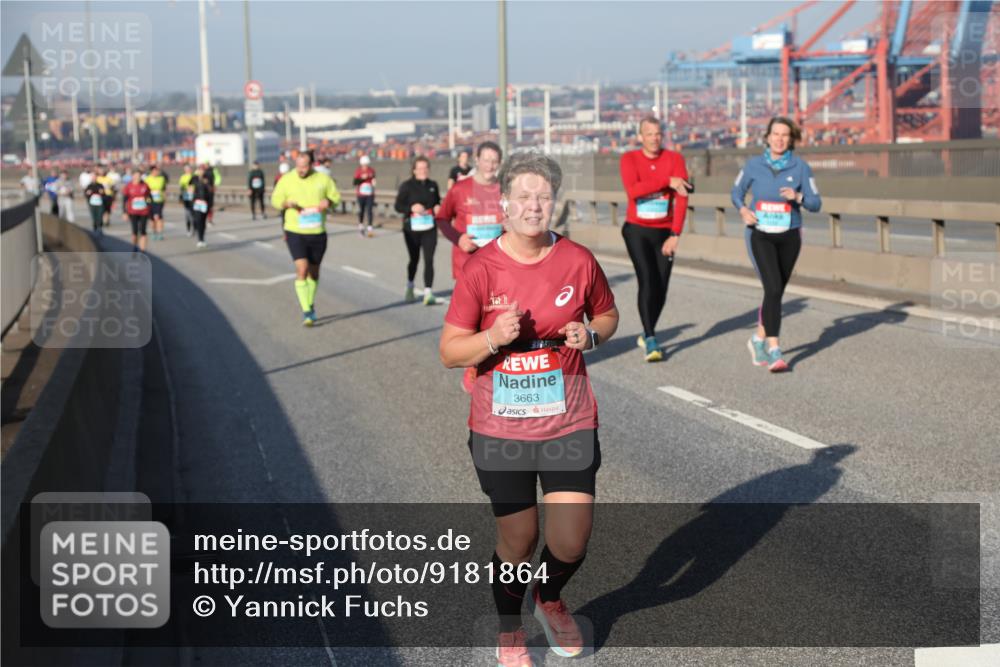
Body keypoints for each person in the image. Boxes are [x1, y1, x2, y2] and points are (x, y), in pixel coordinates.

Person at [439, 153, 619, 667]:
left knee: (570, 540)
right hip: (501, 427)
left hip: (569, 419)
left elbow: (607, 313)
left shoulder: (578, 260)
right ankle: (510, 626)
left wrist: (592, 335)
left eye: (542, 196)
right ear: (505, 203)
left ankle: (550, 596)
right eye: (523, 196)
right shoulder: (482, 268)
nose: (533, 206)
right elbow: (450, 351)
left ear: (553, 203)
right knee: (519, 538)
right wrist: (491, 338)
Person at [732, 116, 821, 372]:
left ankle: (757, 338)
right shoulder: (753, 165)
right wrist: (742, 210)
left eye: (785, 135)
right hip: (759, 234)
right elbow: (736, 193)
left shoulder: (800, 168)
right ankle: (774, 348)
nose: (779, 139)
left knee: (776, 292)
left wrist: (799, 196)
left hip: (790, 235)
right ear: (767, 137)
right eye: (775, 134)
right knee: (772, 288)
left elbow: (816, 204)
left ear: (791, 139)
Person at [619, 116, 691, 362]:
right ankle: (650, 337)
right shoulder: (629, 159)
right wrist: (666, 182)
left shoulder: (675, 159)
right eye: (649, 134)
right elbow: (633, 190)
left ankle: (647, 331)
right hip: (636, 230)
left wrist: (675, 234)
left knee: (661, 287)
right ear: (641, 136)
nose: (654, 138)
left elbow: (682, 197)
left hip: (664, 232)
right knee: (647, 280)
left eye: (658, 133)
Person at [437, 141, 504, 392]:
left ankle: (490, 364)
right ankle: (472, 366)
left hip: (498, 262)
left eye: (495, 161)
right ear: (477, 160)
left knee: (495, 314)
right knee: (472, 319)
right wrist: (459, 239)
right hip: (467, 263)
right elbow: (442, 219)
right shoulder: (461, 189)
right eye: (486, 160)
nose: (490, 165)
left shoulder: (504, 190)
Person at [271, 150, 341, 326]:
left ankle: (309, 301)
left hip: (317, 231)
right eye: (299, 166)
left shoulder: (323, 179)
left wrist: (329, 203)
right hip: (295, 230)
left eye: (305, 166)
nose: (301, 170)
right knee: (302, 269)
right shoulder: (286, 179)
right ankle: (307, 311)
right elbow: (275, 199)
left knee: (314, 271)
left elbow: (336, 197)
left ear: (311, 165)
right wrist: (286, 203)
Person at [393, 156, 441, 305]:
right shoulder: (407, 186)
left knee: (429, 259)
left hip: (429, 227)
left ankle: (428, 292)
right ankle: (410, 286)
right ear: (414, 170)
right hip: (412, 229)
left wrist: (438, 207)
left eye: (425, 168)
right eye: (419, 168)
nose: (423, 171)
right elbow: (398, 206)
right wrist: (411, 208)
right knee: (414, 259)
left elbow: (437, 201)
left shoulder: (433, 185)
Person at [121, 168, 152, 253]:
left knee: (143, 231)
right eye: (136, 176)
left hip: (144, 211)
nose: (137, 177)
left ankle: (142, 250)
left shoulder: (145, 185)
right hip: (133, 212)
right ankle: (134, 246)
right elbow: (124, 200)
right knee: (135, 231)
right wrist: (124, 212)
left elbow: (149, 197)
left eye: (139, 176)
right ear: (132, 176)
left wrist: (150, 208)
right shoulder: (129, 186)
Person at [188, 164, 215, 249]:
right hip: (196, 202)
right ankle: (199, 239)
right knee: (197, 219)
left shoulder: (208, 178)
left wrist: (210, 204)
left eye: (202, 170)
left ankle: (202, 238)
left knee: (203, 221)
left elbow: (211, 190)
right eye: (199, 170)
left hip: (205, 203)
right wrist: (191, 195)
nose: (201, 171)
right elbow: (189, 187)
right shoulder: (194, 178)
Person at [352, 155, 376, 237]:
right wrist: (362, 178)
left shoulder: (371, 170)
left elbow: (373, 178)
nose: (365, 166)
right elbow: (355, 182)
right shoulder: (358, 171)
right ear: (361, 164)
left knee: (369, 210)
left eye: (366, 165)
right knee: (361, 210)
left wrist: (373, 182)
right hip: (361, 194)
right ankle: (361, 224)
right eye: (364, 165)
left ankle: (370, 227)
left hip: (370, 194)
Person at [144, 164, 168, 240]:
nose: (156, 172)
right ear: (151, 171)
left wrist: (165, 198)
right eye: (154, 170)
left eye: (157, 170)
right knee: (152, 218)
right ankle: (154, 232)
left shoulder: (161, 178)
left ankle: (160, 233)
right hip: (150, 200)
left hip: (159, 200)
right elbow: (144, 191)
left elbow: (164, 189)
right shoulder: (147, 179)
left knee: (159, 216)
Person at [178, 163, 195, 236]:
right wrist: (180, 198)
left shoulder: (194, 177)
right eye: (186, 169)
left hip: (194, 197)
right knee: (187, 214)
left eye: (189, 168)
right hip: (186, 197)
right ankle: (188, 229)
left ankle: (195, 228)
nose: (188, 170)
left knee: (194, 214)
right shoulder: (182, 177)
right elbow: (181, 188)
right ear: (184, 170)